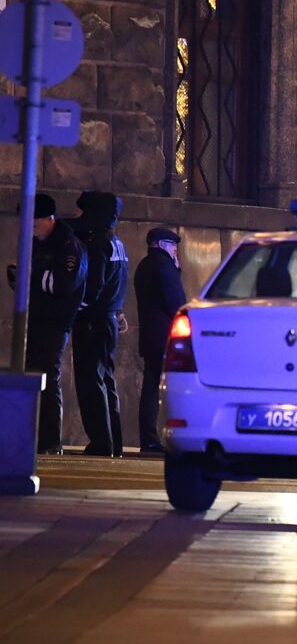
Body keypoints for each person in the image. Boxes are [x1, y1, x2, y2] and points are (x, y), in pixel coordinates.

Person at [5, 194, 87, 454]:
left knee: (48, 379)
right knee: (29, 376)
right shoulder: (37, 244)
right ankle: (33, 440)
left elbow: (63, 284)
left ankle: (51, 443)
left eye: (35, 221)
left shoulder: (68, 246)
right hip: (36, 319)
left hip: (54, 322)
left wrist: (30, 276)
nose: (30, 226)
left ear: (49, 219)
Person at [69, 191, 129, 457]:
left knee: (91, 381)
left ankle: (101, 442)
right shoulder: (116, 242)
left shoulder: (96, 244)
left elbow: (93, 285)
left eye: (81, 211)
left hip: (93, 319)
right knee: (106, 380)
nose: (76, 217)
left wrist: (77, 309)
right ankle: (113, 441)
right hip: (109, 318)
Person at [134, 227, 184, 453]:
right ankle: (156, 438)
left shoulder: (144, 265)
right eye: (173, 247)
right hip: (165, 337)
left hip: (149, 335)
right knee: (162, 388)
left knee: (150, 387)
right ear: (163, 244)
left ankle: (148, 437)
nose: (175, 251)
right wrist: (177, 271)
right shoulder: (165, 267)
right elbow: (176, 302)